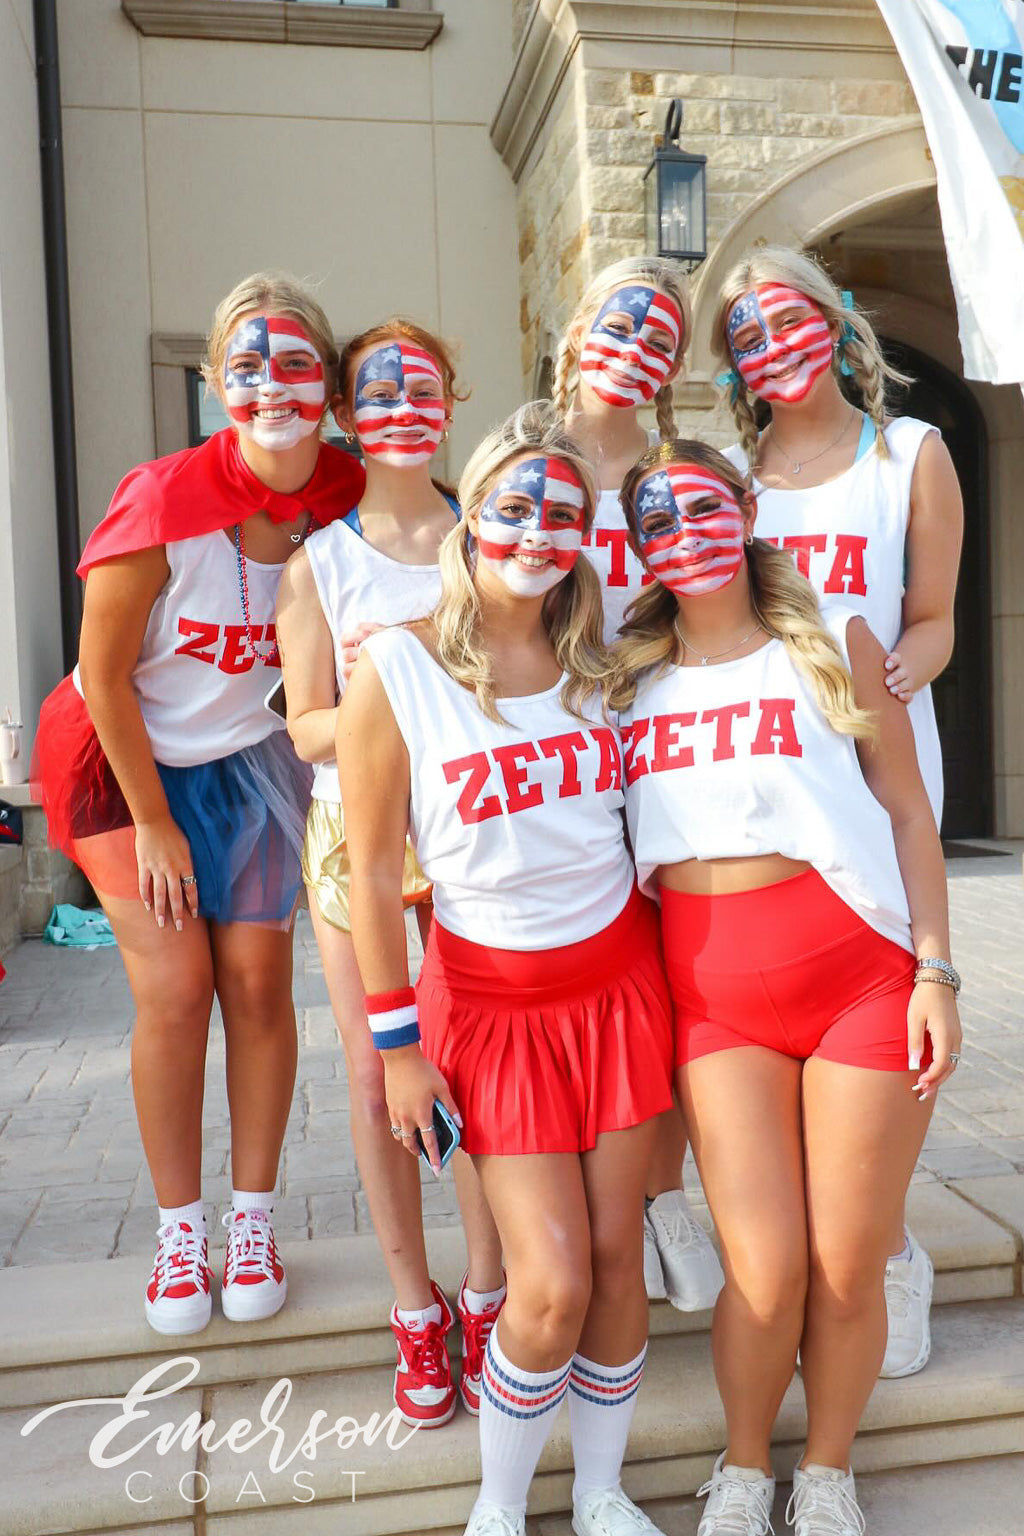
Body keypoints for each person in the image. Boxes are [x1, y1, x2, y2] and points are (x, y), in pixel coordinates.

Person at [338, 403, 675, 1536]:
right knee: (550, 1282)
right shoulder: (397, 667)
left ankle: (601, 1492)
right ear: (470, 514)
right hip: (491, 1004)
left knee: (618, 1259)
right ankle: (497, 1503)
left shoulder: (609, 657)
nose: (538, 530)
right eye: (516, 506)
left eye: (565, 513)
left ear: (587, 531)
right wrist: (396, 1053)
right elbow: (373, 879)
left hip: (622, 989)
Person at [614, 439, 962, 1536]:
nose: (689, 535)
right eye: (661, 522)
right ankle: (745, 1466)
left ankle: (824, 1471)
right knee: (760, 1271)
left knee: (846, 1259)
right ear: (638, 550)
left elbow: (909, 811)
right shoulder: (620, 684)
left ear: (747, 507)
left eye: (706, 508)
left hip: (860, 978)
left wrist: (936, 971)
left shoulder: (832, 645)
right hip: (715, 1004)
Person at [32, 273, 364, 1335]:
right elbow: (105, 673)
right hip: (121, 760)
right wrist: (159, 825)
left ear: (333, 383)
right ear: (216, 381)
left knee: (261, 985)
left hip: (251, 758)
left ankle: (254, 1218)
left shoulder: (349, 495)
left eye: (295, 361)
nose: (271, 384)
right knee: (177, 990)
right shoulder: (161, 499)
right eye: (246, 364)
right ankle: (180, 1232)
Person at [713, 244, 964, 1379]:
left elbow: (933, 617)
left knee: (883, 1017)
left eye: (788, 323)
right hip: (762, 778)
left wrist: (893, 676)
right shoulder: (728, 475)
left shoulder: (910, 453)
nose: (775, 349)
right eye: (747, 338)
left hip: (874, 760)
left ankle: (890, 1249)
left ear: (832, 323)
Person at [276, 318, 505, 1429]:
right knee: (380, 1074)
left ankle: (487, 1289)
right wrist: (384, 689)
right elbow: (307, 728)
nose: (401, 404)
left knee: (473, 1065)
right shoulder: (320, 561)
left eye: (422, 384)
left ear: (451, 401)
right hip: (356, 839)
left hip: (476, 835)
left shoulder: (493, 533)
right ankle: (412, 1307)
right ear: (346, 415)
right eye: (376, 389)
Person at [555, 254, 723, 1314]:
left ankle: (661, 1197)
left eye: (661, 333)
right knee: (568, 985)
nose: (637, 347)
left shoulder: (680, 469)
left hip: (663, 760)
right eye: (623, 324)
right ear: (579, 331)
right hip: (553, 766)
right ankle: (565, 1210)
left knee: (661, 991)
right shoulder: (525, 457)